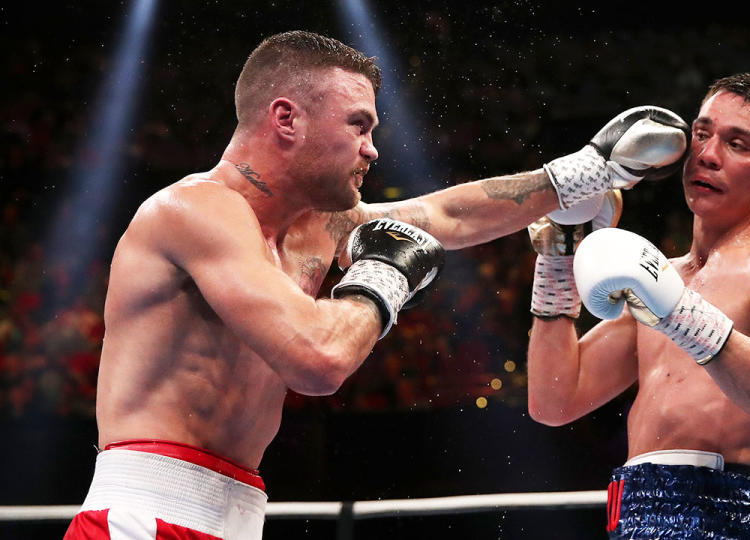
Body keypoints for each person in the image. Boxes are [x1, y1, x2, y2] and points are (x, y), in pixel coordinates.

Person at [63, 31, 689, 540]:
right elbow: (317, 359)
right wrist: (382, 278)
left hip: (233, 513)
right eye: (358, 126)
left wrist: (586, 171)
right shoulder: (195, 212)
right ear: (286, 118)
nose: (372, 151)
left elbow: (447, 216)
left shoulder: (318, 224)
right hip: (142, 518)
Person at [526, 73, 750, 539]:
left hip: (711, 513)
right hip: (628, 510)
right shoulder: (660, 277)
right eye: (702, 133)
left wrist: (678, 313)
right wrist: (556, 260)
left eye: (738, 144)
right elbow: (554, 400)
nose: (707, 155)